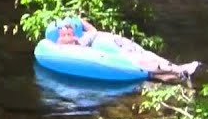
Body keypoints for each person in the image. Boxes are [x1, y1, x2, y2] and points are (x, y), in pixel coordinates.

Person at [49, 17, 200, 80]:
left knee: (147, 56)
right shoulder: (60, 45)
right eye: (64, 33)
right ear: (59, 36)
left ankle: (180, 71)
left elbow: (93, 31)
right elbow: (58, 49)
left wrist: (81, 21)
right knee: (147, 69)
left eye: (70, 32)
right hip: (116, 54)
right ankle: (179, 71)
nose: (68, 35)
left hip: (115, 47)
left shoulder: (82, 38)